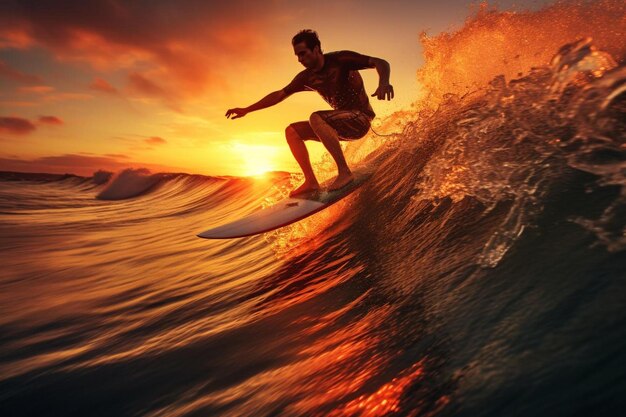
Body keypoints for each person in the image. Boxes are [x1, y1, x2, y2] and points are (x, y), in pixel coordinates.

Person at [226, 29, 394, 197]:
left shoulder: (341, 60)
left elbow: (379, 62)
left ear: (316, 49)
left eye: (303, 53)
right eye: (297, 56)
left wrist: (384, 82)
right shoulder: (306, 78)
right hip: (339, 125)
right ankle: (311, 181)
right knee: (292, 132)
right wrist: (247, 110)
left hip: (361, 119)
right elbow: (279, 95)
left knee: (316, 117)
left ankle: (344, 172)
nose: (300, 59)